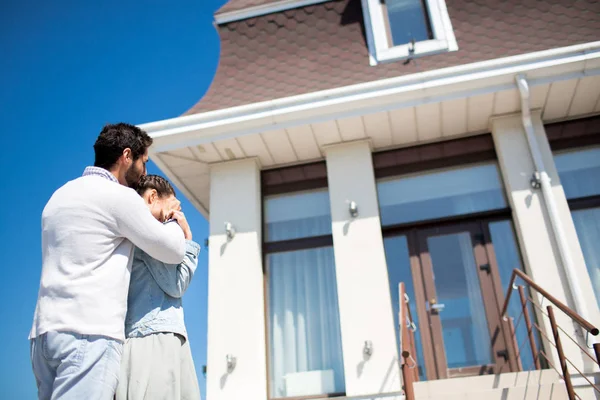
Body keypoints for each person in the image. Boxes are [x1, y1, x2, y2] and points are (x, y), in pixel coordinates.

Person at [29, 123, 190, 400]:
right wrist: (172, 215)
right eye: (144, 162)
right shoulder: (119, 197)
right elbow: (173, 251)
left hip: (44, 335)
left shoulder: (59, 196)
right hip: (88, 334)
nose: (145, 172)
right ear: (127, 156)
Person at [116, 175, 201, 400]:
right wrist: (187, 237)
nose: (174, 218)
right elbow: (176, 285)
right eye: (172, 211)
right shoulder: (145, 233)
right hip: (152, 337)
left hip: (161, 334)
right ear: (153, 196)